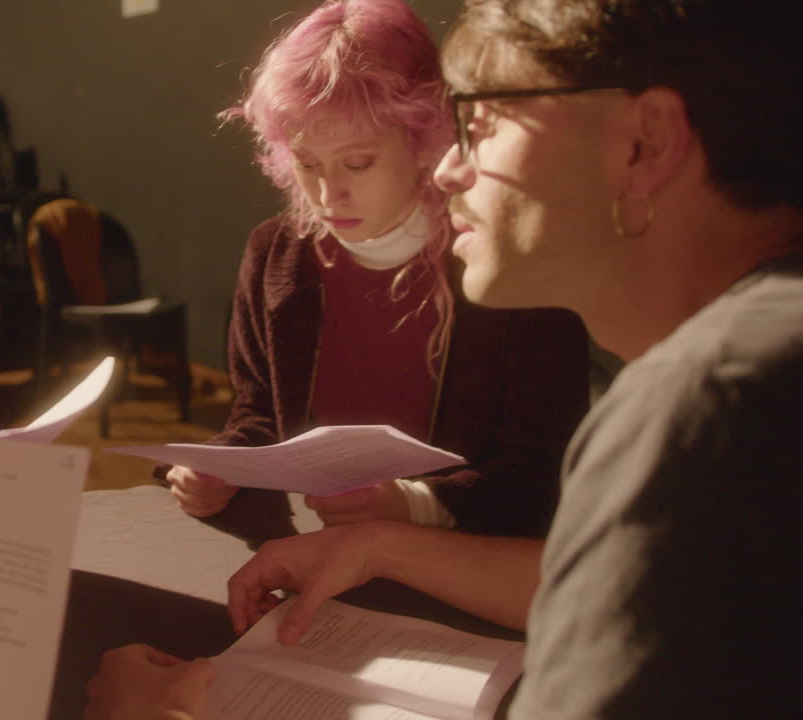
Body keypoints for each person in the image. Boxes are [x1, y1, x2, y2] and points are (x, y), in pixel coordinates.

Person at [91, 0, 803, 717]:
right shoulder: (747, 365)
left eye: (483, 125)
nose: (452, 166)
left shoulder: (716, 404)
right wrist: (377, 546)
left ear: (644, 143)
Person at [165, 0, 587, 538]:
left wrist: (417, 505)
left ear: (423, 139)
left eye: (357, 163)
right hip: (317, 543)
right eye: (307, 163)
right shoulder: (276, 254)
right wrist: (218, 468)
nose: (327, 194)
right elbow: (258, 417)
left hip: (469, 555)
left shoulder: (506, 257)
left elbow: (543, 465)